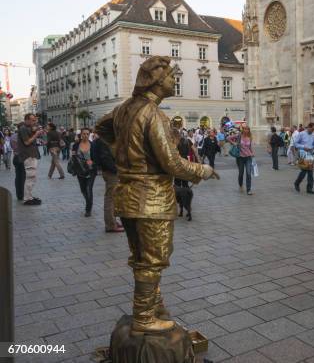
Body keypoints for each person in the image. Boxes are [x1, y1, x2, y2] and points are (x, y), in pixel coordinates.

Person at [96, 56, 218, 334]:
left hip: (127, 195)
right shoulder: (153, 114)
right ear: (154, 80)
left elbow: (101, 127)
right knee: (153, 260)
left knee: (142, 257)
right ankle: (144, 317)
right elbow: (172, 163)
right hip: (151, 198)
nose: (172, 80)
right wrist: (204, 170)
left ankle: (155, 307)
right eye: (168, 76)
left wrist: (123, 149)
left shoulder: (125, 108)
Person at [92, 134, 124, 232]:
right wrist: (116, 170)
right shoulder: (104, 141)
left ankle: (112, 221)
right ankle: (110, 224)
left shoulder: (102, 140)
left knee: (112, 198)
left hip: (109, 171)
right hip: (111, 173)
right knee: (110, 198)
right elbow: (106, 158)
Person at [17, 114, 43, 205]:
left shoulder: (27, 128)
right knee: (30, 177)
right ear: (26, 120)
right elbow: (27, 142)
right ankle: (27, 198)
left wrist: (36, 132)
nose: (34, 122)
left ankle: (29, 196)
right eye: (32, 120)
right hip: (28, 155)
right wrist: (36, 134)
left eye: (35, 120)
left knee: (32, 177)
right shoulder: (23, 129)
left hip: (31, 155)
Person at [71, 128, 97, 217]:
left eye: (87, 134)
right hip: (80, 171)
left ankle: (88, 209)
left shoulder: (93, 145)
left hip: (91, 171)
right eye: (84, 134)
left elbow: (97, 158)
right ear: (81, 134)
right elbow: (73, 157)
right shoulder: (76, 145)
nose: (85, 135)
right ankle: (88, 202)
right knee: (83, 189)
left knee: (89, 189)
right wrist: (74, 169)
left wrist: (93, 162)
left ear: (89, 134)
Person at [228, 126, 255, 195]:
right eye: (245, 129)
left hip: (248, 157)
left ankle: (248, 189)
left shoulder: (250, 137)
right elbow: (228, 138)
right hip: (240, 158)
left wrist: (252, 153)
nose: (246, 131)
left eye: (248, 129)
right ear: (243, 130)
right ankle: (240, 184)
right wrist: (234, 143)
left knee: (248, 173)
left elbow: (250, 147)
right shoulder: (239, 136)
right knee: (241, 173)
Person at [293, 122, 314, 194]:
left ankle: (309, 188)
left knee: (310, 172)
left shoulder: (313, 135)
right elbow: (295, 143)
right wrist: (304, 147)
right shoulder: (301, 134)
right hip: (303, 154)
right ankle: (297, 183)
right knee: (303, 171)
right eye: (312, 129)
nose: (313, 131)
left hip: (311, 154)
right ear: (309, 127)